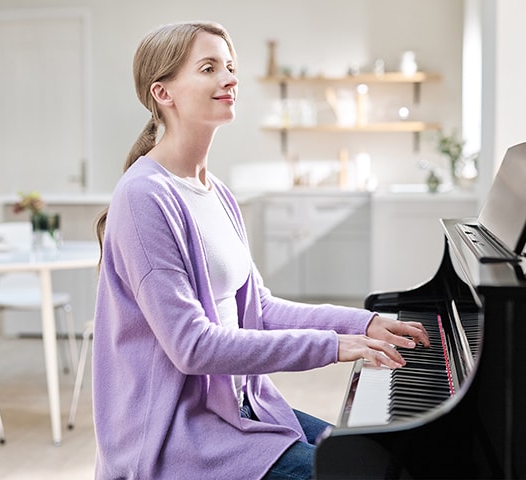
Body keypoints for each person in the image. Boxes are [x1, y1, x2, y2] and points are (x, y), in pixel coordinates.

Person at [92, 21, 430, 480]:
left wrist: (364, 322)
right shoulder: (143, 198)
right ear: (163, 93)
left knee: (384, 461)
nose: (229, 79)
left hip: (244, 411)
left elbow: (260, 308)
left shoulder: (218, 194)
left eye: (230, 67)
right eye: (209, 68)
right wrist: (332, 346)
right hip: (182, 438)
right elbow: (192, 347)